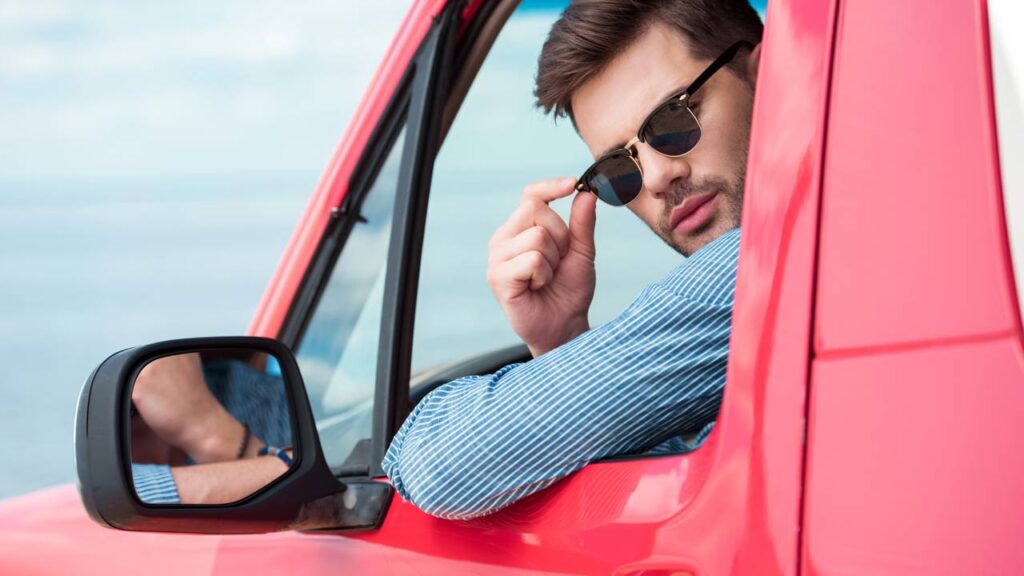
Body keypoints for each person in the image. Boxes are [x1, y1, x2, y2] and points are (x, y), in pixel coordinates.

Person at [382, 0, 763, 520]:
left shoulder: (754, 270)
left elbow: (439, 462)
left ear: (766, 77)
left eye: (674, 119)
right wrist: (560, 344)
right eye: (618, 167)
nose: (654, 179)